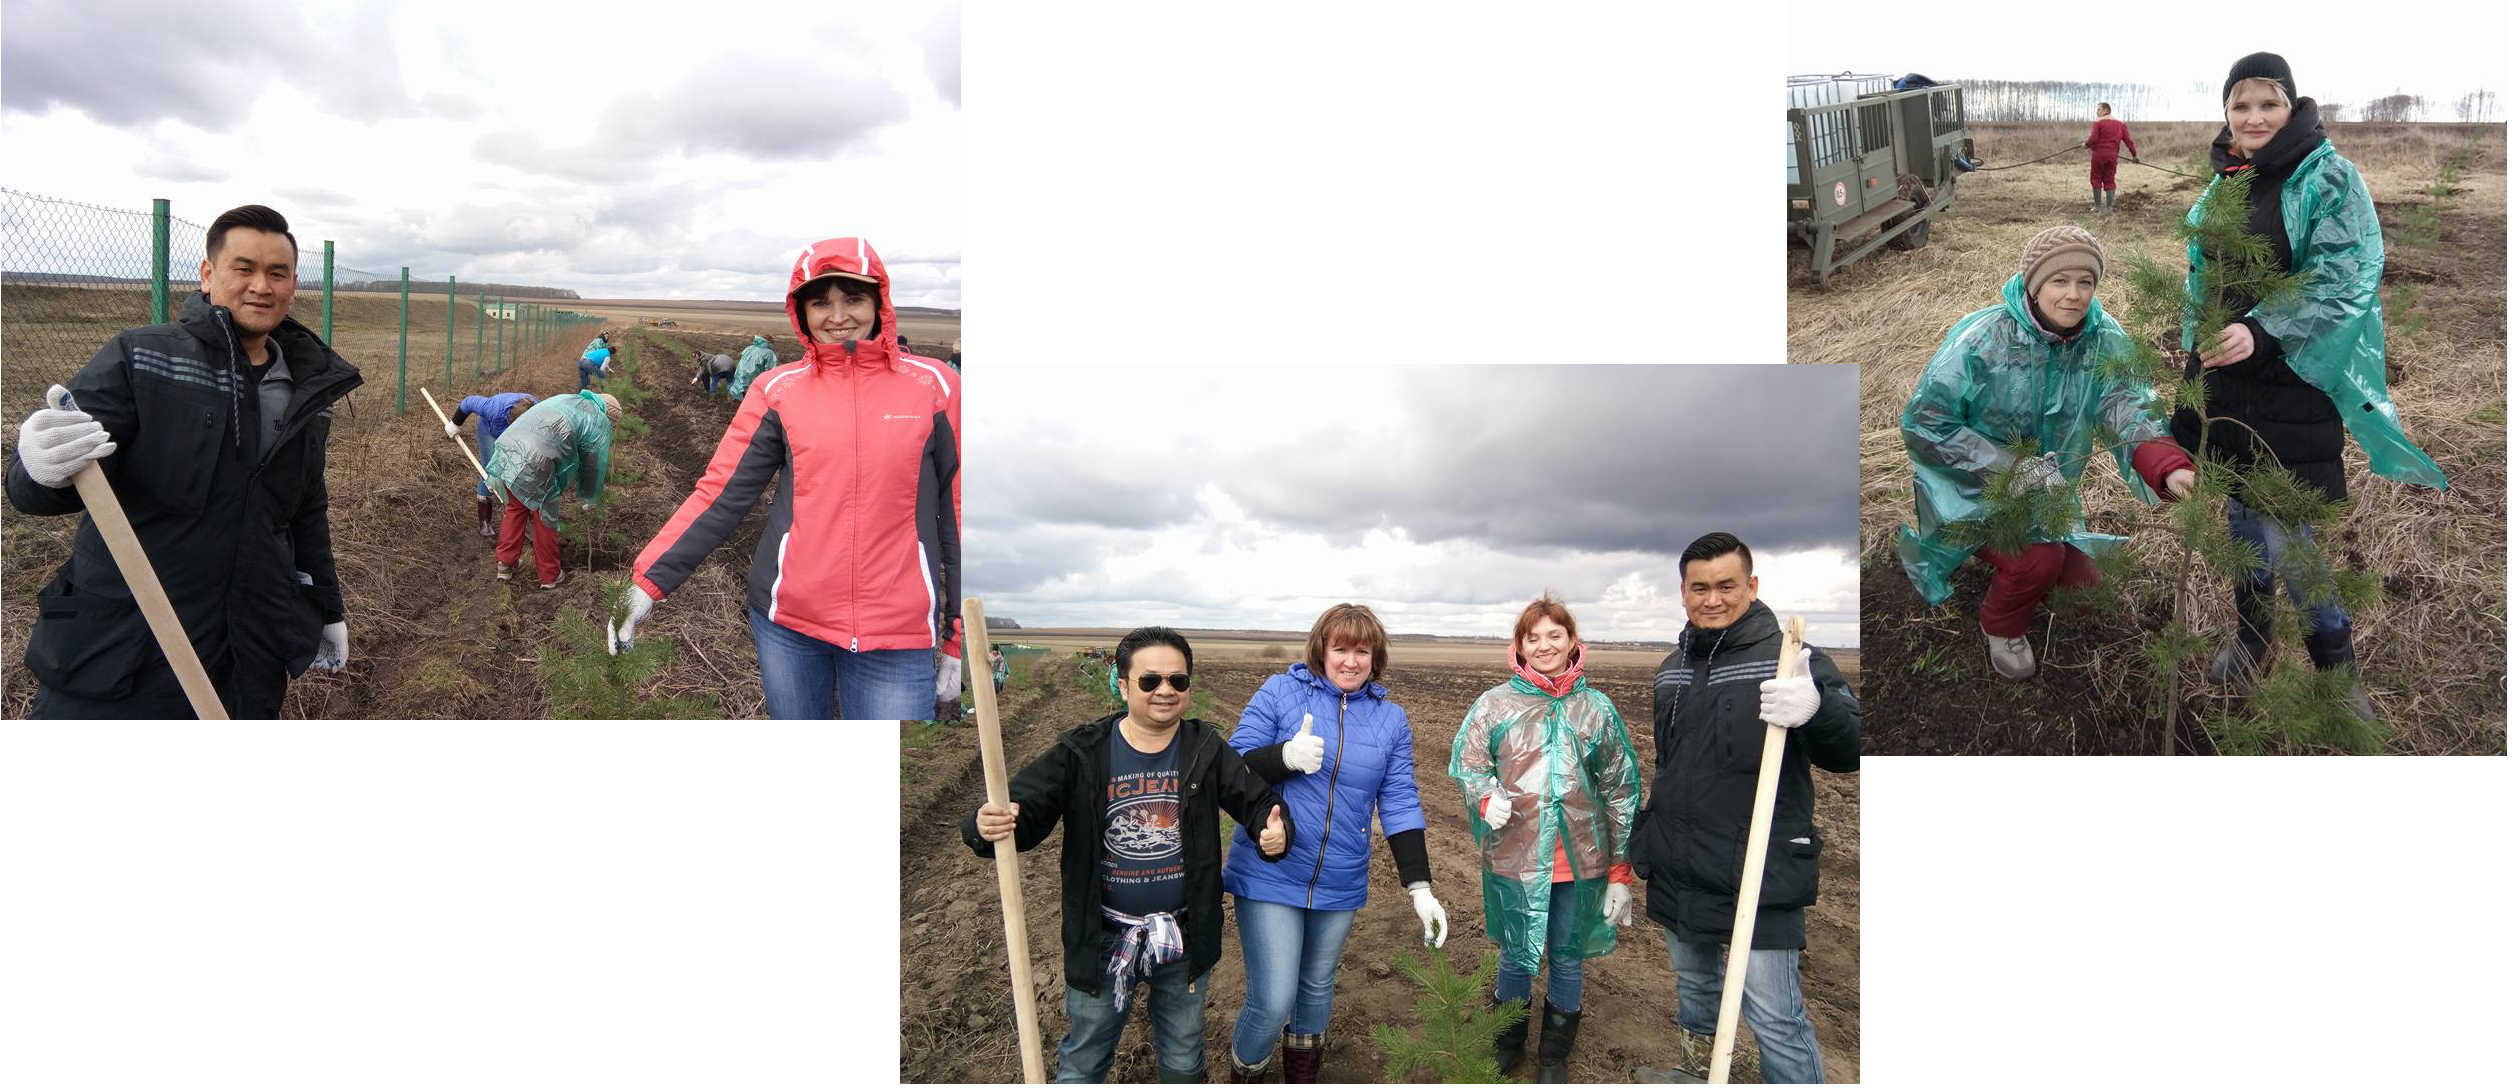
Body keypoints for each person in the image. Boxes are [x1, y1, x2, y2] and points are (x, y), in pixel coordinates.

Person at [2170, 52, 2447, 724]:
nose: (2254, 116)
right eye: (2241, 105)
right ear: (2227, 114)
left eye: (2268, 103)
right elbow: (2200, 279)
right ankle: (2253, 638)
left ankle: (2335, 669)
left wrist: (2263, 331)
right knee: (2239, 517)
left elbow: (2345, 275)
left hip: (2292, 382)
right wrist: (2195, 355)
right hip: (2226, 383)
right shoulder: (2227, 181)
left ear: (2291, 106)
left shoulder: (2327, 176)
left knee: (2287, 535)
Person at [7, 204, 360, 718]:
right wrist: (37, 466)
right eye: (244, 268)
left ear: (293, 284)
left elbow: (305, 509)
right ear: (208, 274)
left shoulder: (308, 389)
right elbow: (45, 486)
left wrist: (328, 608)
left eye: (277, 273)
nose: (261, 285)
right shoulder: (142, 358)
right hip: (122, 652)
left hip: (248, 656)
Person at [611, 237, 962, 720]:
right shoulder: (778, 391)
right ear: (801, 312)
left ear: (879, 302)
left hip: (896, 637)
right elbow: (721, 493)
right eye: (821, 302)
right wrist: (647, 583)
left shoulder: (935, 386)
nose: (838, 316)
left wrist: (957, 637)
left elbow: (962, 513)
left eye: (854, 299)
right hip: (787, 625)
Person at [964, 627, 1295, 1083]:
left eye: (1177, 681)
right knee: (1086, 1054)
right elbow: (1020, 809)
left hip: (1183, 935)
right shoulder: (1082, 753)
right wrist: (988, 826)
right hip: (1101, 937)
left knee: (1182, 1057)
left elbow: (1258, 802)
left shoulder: (1205, 749)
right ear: (1123, 686)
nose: (1165, 690)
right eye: (1150, 680)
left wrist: (1272, 830)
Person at [1896, 225, 2197, 680]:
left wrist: (2169, 467)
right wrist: (2010, 466)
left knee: (2085, 584)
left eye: (2086, 282)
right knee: (2041, 561)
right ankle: (2002, 625)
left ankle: (2021, 575)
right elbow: (1926, 422)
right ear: (2035, 285)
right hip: (1972, 494)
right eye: (2060, 281)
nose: (2074, 295)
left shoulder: (2101, 338)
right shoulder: (1983, 339)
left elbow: (2128, 403)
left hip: (2047, 496)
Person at [1631, 533, 1858, 1085]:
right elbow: (1672, 764)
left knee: (1775, 1016)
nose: (1713, 599)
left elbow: (1849, 749)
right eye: (1700, 587)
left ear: (1751, 587)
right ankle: (1699, 1074)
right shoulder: (1671, 670)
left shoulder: (1793, 660)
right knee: (1696, 988)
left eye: (1726, 586)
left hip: (1758, 868)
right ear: (1682, 593)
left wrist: (1817, 709)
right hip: (1682, 865)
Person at [1222, 604, 1448, 1083]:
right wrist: (1284, 756)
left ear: (1375, 657)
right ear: (1321, 651)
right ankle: (1249, 1071)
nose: (1350, 660)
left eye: (1361, 650)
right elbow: (1233, 764)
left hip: (1339, 878)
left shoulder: (1391, 721)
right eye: (1340, 648)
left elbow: (1401, 801)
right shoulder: (1280, 692)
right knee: (1274, 998)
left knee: (1317, 986)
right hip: (1271, 868)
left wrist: (1419, 886)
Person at [1449, 593, 1641, 1082]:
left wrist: (1621, 869)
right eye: (1533, 637)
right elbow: (1470, 766)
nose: (1544, 645)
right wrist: (1486, 797)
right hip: (1516, 856)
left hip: (1581, 861)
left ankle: (1553, 1057)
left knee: (1568, 955)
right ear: (1519, 645)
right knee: (1516, 952)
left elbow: (1621, 786)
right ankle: (1507, 1042)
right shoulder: (1495, 705)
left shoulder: (1595, 708)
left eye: (1554, 635)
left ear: (1573, 641)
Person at [482, 391, 619, 590]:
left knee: (515, 508)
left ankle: (505, 564)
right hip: (538, 462)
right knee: (544, 517)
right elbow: (593, 464)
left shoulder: (569, 400)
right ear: (609, 418)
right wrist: (590, 496)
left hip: (511, 448)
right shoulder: (596, 419)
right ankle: (550, 576)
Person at [447, 392, 536, 537]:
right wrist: (455, 423)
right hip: (489, 429)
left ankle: (528, 515)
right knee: (489, 470)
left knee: (522, 469)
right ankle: (484, 523)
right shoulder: (494, 409)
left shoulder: (537, 417)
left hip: (522, 436)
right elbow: (468, 402)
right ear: (509, 421)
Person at [2084, 102, 2139, 212]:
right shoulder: (2120, 123)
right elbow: (2128, 141)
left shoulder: (2098, 121)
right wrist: (2134, 155)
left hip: (2098, 155)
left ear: (2105, 110)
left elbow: (2093, 139)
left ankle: (2097, 207)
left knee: (2096, 179)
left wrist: (2086, 145)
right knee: (2110, 179)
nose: (2097, 112)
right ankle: (2109, 208)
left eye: (2099, 109)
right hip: (2113, 156)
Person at [727, 335, 778, 399]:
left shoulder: (749, 348)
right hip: (753, 375)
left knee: (740, 389)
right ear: (769, 343)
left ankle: (737, 401)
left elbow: (741, 355)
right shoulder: (769, 353)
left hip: (741, 372)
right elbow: (770, 369)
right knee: (752, 394)